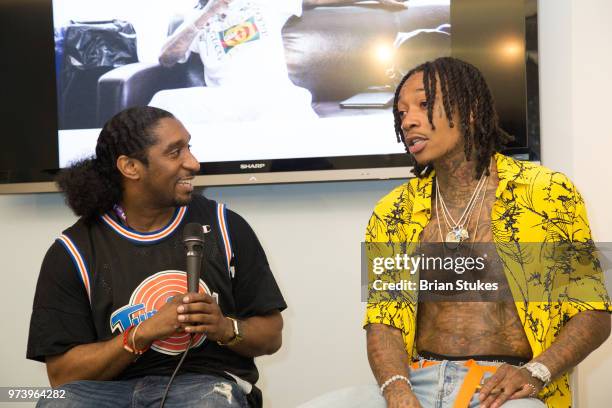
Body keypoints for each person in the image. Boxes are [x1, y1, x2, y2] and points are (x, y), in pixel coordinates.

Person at [362, 57, 611, 408]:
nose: (408, 121)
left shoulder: (547, 193)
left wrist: (537, 372)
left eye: (423, 104)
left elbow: (595, 312)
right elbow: (382, 323)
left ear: (471, 110)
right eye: (401, 113)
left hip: (507, 390)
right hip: (414, 381)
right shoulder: (393, 211)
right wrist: (396, 389)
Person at [26, 106, 286, 408]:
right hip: (108, 394)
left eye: (189, 147)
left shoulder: (226, 227)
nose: (193, 163)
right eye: (175, 152)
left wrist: (225, 327)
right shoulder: (73, 250)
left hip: (203, 386)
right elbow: (62, 376)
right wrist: (142, 333)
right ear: (130, 167)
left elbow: (272, 335)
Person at [151, 0, 408, 123]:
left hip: (273, 95)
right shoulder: (195, 20)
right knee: (163, 102)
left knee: (292, 118)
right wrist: (207, 14)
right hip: (223, 101)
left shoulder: (262, 3)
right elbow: (167, 57)